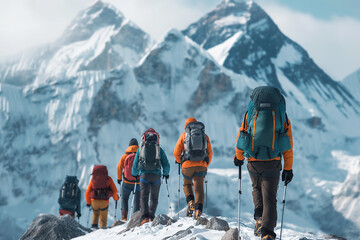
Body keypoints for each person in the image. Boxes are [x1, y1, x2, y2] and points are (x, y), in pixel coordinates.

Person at [234, 86, 294, 240]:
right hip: (273, 162)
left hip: (253, 161)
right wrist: (288, 168)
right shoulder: (282, 115)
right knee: (270, 198)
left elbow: (243, 134)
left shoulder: (251, 111)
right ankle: (267, 233)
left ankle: (259, 219)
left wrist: (239, 156)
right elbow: (287, 143)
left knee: (256, 187)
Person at [173, 118, 213, 219]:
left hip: (187, 165)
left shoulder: (184, 136)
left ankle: (190, 202)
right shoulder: (204, 136)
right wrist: (205, 164)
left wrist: (180, 161)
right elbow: (210, 152)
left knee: (187, 184)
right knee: (199, 188)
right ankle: (198, 210)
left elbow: (176, 152)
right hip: (201, 165)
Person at [132, 128, 170, 225]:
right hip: (156, 176)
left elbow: (135, 164)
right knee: (154, 197)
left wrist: (135, 174)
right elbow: (166, 163)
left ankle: (144, 217)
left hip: (144, 176)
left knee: (144, 197)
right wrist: (166, 173)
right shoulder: (159, 149)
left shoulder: (140, 149)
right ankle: (151, 216)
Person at [116, 138, 140, 221]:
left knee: (124, 198)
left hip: (126, 182)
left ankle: (124, 217)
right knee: (137, 200)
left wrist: (119, 178)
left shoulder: (125, 156)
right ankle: (135, 218)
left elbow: (119, 168)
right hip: (138, 182)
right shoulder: (140, 155)